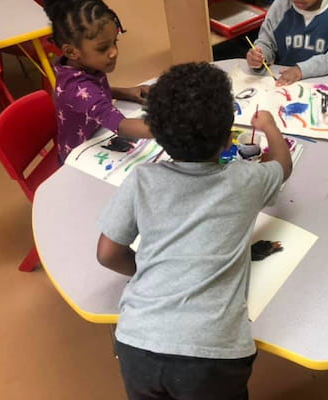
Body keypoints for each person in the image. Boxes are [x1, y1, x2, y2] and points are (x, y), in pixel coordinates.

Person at [96, 62, 292, 400]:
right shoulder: (246, 180)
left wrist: (147, 271)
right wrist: (270, 126)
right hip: (212, 354)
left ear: (155, 131)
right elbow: (282, 165)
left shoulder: (142, 179)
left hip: (136, 344)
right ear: (229, 130)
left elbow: (107, 253)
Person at [43, 0, 151, 164]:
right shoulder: (75, 87)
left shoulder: (81, 65)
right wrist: (174, 129)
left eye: (114, 42)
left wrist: (124, 92)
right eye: (103, 48)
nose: (114, 52)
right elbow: (122, 126)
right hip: (79, 161)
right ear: (71, 51)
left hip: (96, 137)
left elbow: (92, 93)